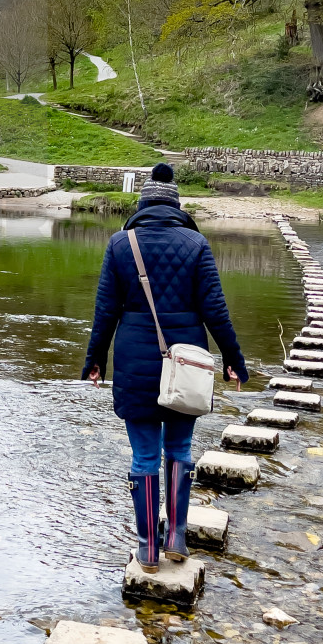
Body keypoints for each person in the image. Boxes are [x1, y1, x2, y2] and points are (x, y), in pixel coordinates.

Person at [81, 162, 249, 572]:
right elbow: (215, 309)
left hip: (136, 361)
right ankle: (176, 536)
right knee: (178, 451)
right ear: (178, 205)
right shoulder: (196, 243)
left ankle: (146, 548)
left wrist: (95, 360)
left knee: (143, 458)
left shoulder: (121, 244)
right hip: (186, 363)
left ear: (141, 205)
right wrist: (233, 359)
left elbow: (105, 310)